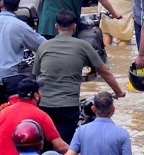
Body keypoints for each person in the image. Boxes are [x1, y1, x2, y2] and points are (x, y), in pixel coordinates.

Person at [34, 10, 126, 144]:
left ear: (56, 26)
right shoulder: (83, 46)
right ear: (74, 26)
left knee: (46, 145)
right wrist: (119, 92)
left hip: (44, 106)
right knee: (65, 146)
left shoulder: (43, 46)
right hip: (68, 106)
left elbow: (35, 76)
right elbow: (104, 71)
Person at [0, 78, 68, 155]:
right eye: (39, 91)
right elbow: (61, 147)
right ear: (36, 96)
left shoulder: (3, 112)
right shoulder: (40, 115)